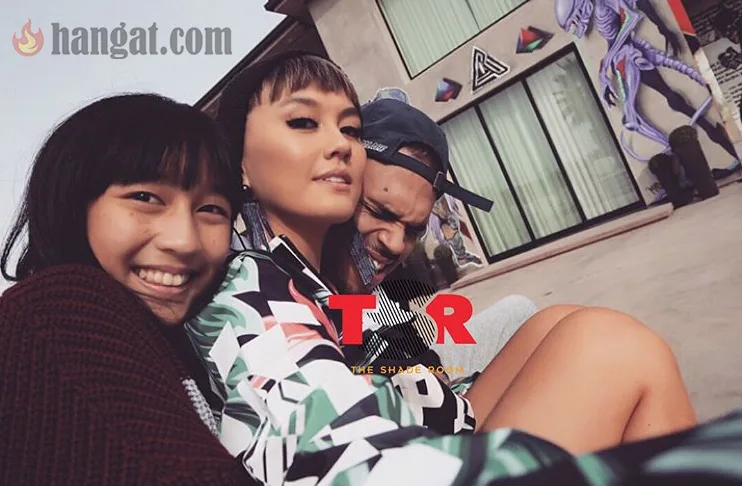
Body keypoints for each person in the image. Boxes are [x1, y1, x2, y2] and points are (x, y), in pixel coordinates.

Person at [184, 51, 701, 483]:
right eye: (303, 122)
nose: (337, 144)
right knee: (611, 346)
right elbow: (337, 452)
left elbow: (400, 378)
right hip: (414, 463)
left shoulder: (317, 277)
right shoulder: (252, 290)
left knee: (559, 322)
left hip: (436, 427)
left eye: (349, 128)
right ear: (240, 162)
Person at [0, 93, 253, 485]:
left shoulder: (197, 338)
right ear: (74, 203)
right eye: (145, 198)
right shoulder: (57, 310)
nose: (184, 241)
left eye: (210, 209)